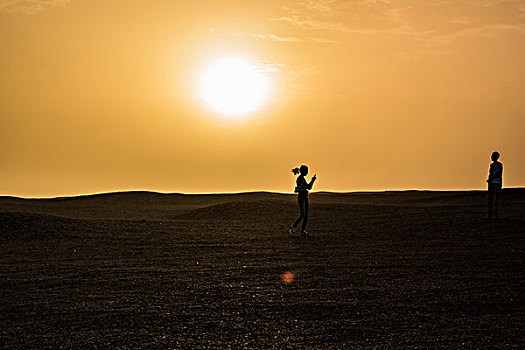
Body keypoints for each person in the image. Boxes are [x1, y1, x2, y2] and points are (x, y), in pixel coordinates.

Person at [289, 165, 317, 237]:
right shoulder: (299, 179)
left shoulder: (302, 178)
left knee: (306, 215)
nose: (307, 172)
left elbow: (308, 187)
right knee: (302, 214)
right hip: (301, 197)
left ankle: (303, 230)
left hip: (305, 197)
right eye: (306, 171)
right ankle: (293, 227)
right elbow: (306, 187)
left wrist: (312, 181)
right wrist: (312, 181)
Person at [486, 151, 503, 219]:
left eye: (492, 156)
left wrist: (491, 178)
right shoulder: (492, 165)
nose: (491, 157)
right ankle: (489, 214)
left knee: (495, 199)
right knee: (490, 199)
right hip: (492, 183)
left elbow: (498, 173)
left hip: (496, 183)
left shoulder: (499, 165)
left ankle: (495, 214)